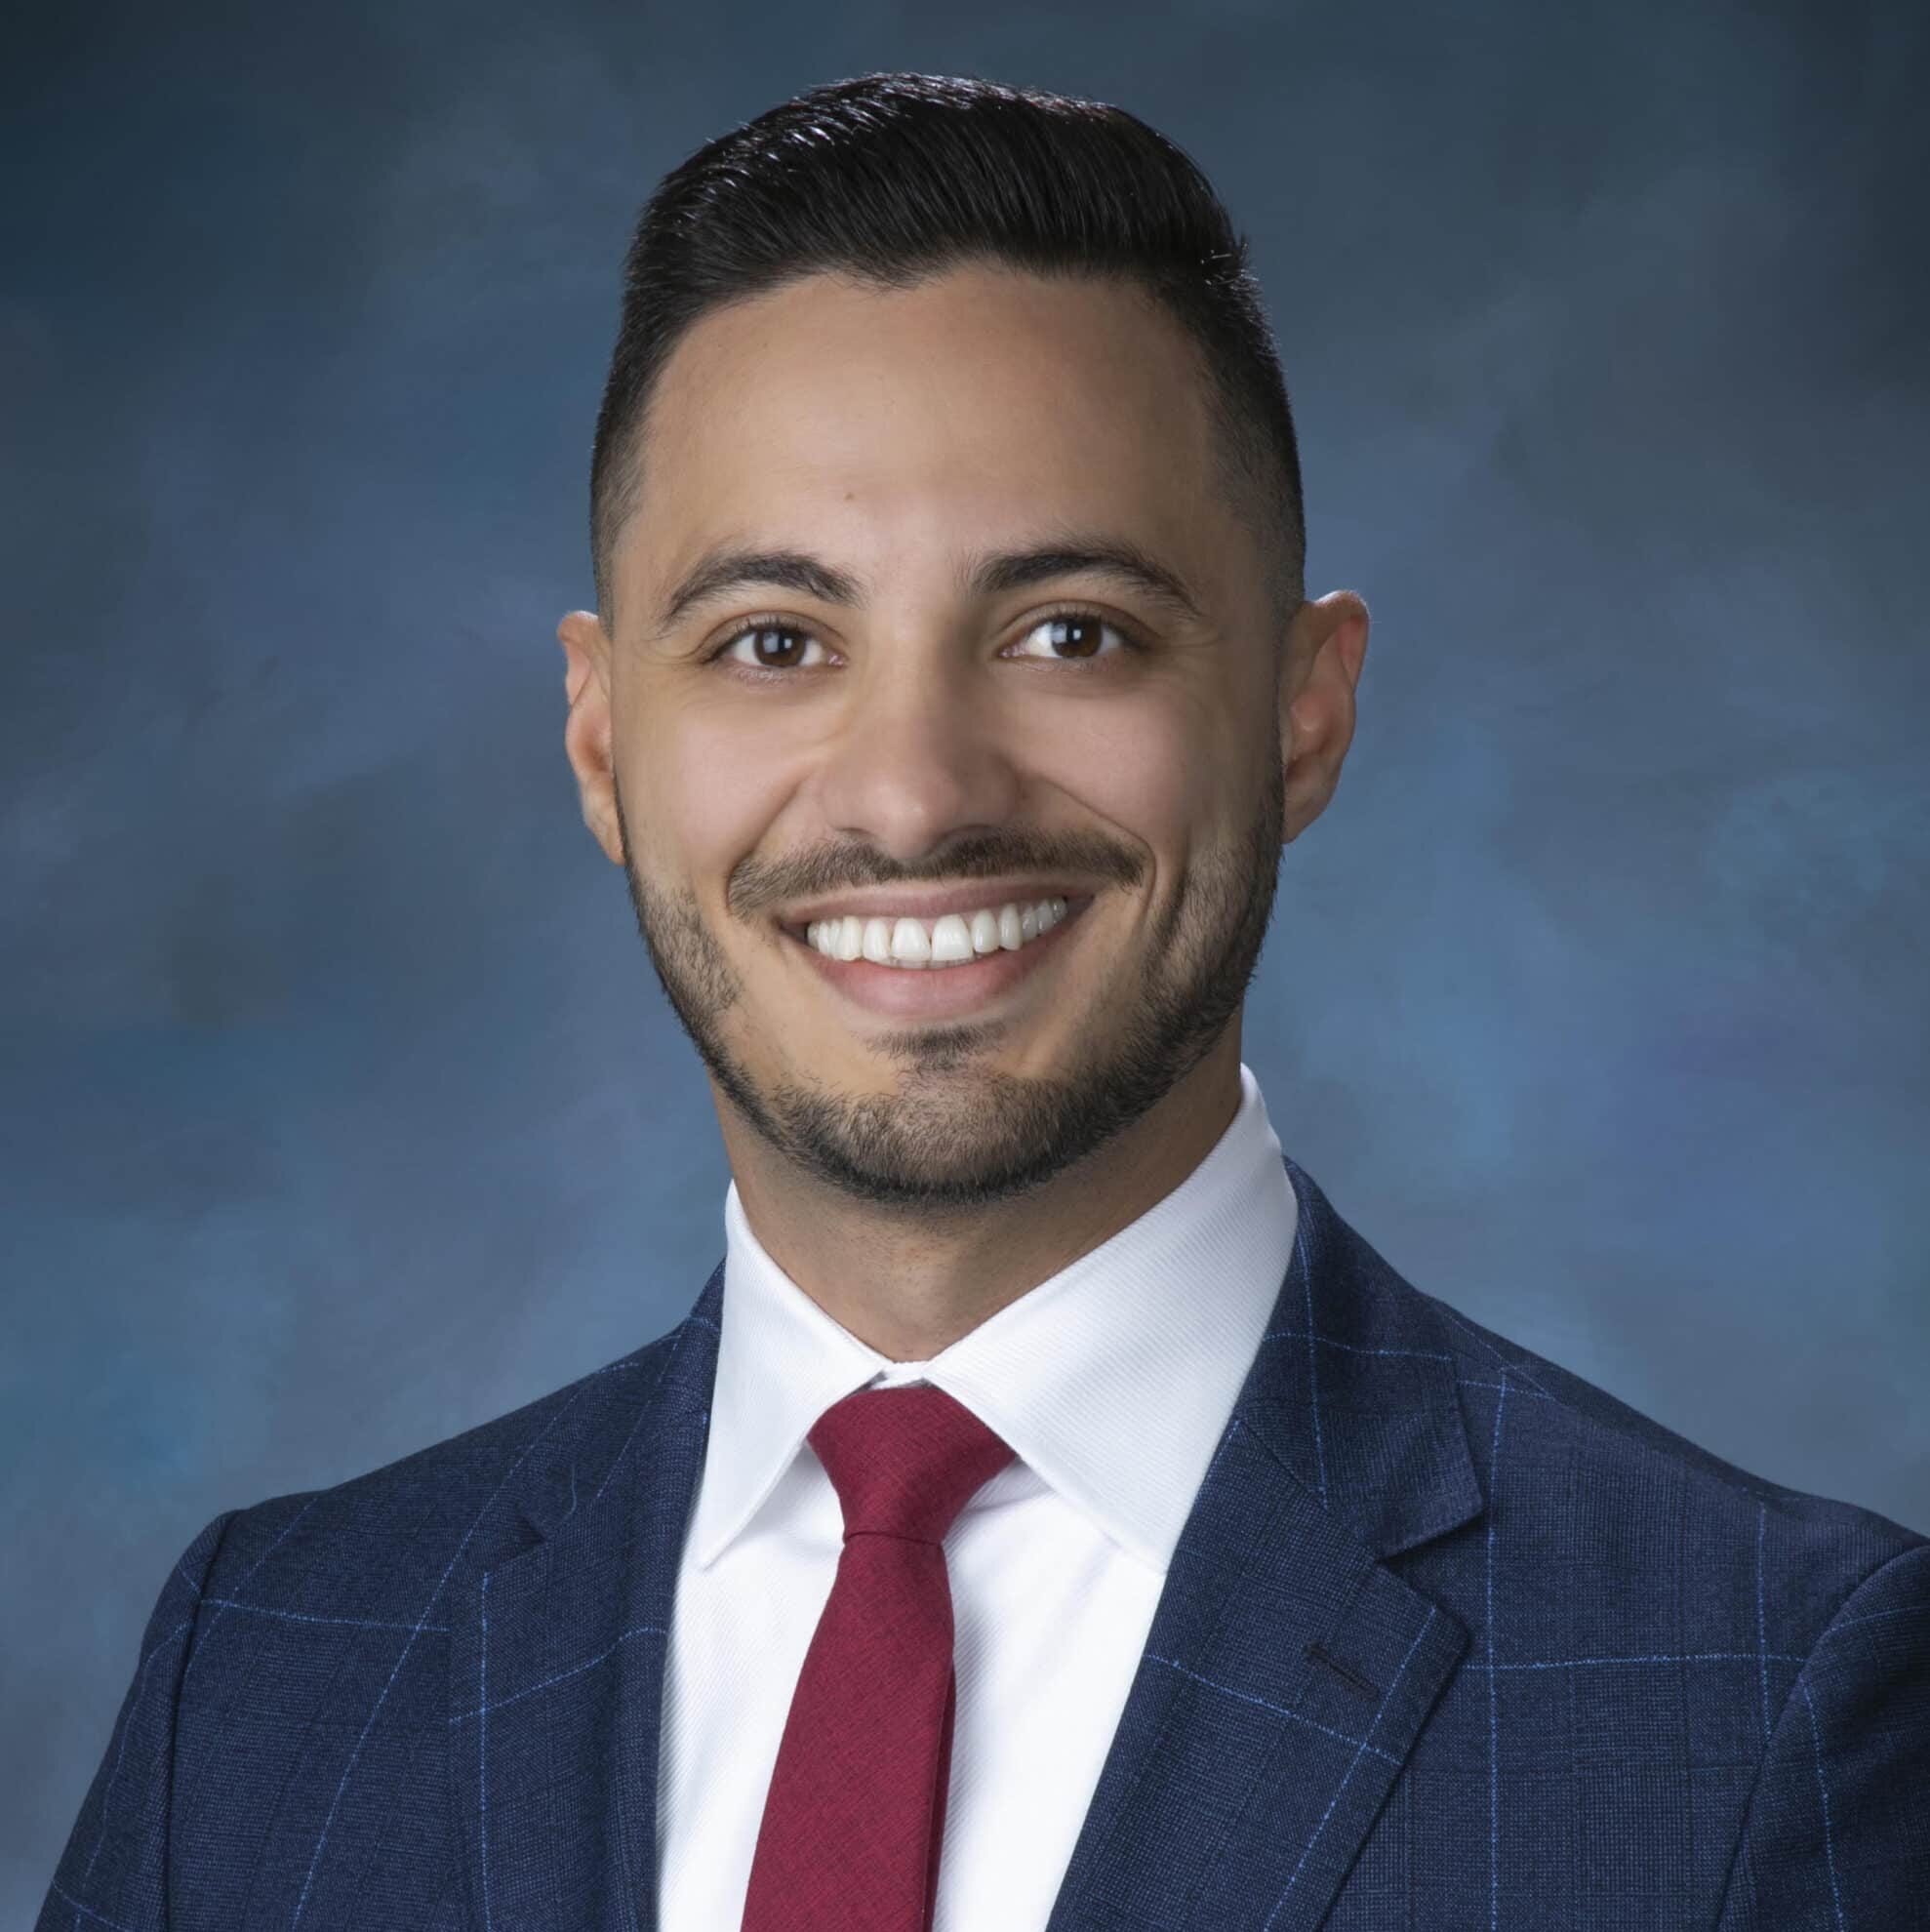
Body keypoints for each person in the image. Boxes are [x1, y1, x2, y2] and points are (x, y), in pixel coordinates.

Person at [40, 71, 1925, 1932]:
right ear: (604, 741)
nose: (913, 793)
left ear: (1302, 712)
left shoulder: (1768, 1694)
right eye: (774, 642)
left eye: (1067, 634)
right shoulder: (271, 1668)